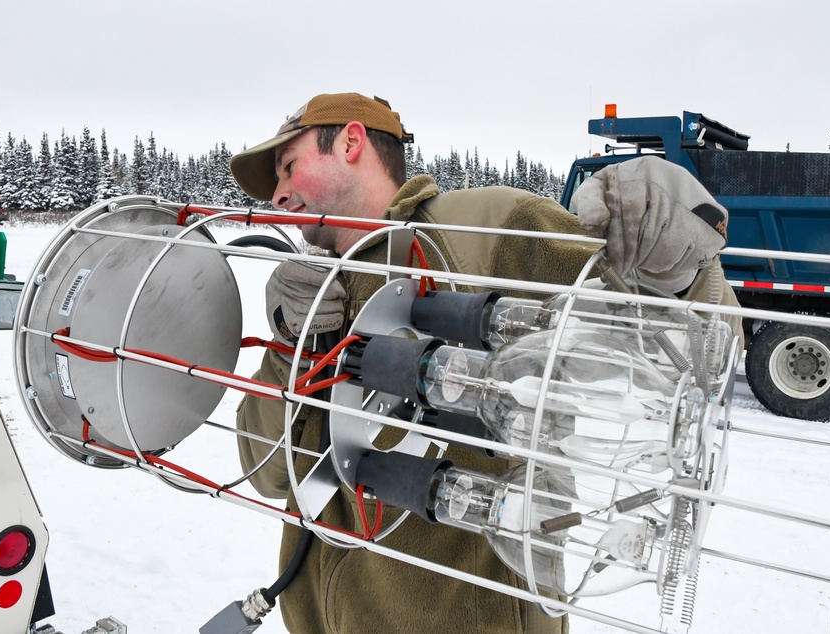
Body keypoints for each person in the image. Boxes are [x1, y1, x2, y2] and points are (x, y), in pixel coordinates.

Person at [230, 93, 741, 634]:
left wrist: (680, 270)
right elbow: (265, 472)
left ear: (352, 142)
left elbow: (698, 344)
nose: (280, 194)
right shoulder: (312, 287)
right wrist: (291, 344)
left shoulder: (489, 229)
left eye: (289, 167)